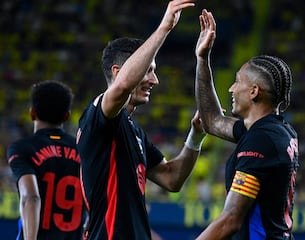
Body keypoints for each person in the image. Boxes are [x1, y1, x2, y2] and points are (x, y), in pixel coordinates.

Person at [76, 1, 206, 239]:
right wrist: (164, 28)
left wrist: (196, 134)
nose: (154, 80)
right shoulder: (97, 116)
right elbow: (123, 86)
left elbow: (172, 178)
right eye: (148, 69)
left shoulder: (133, 130)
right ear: (117, 71)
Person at [194, 9, 299, 239]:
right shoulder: (274, 130)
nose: (231, 89)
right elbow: (211, 121)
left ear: (254, 91)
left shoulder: (262, 140)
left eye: (237, 81)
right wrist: (203, 60)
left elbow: (231, 218)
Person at [7, 80, 85, 240]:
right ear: (67, 116)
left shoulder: (22, 148)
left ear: (32, 113)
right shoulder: (84, 150)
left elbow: (31, 197)